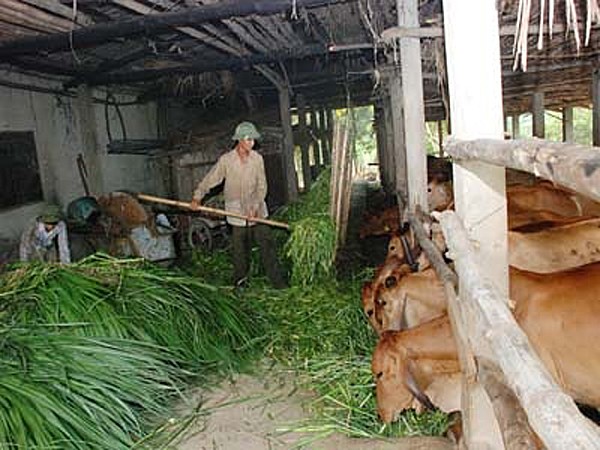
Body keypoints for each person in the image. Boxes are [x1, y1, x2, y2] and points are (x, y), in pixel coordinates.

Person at [190, 121, 286, 289]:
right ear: (239, 140)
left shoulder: (257, 159)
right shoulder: (227, 160)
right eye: (248, 139)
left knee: (267, 247)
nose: (252, 143)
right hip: (236, 214)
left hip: (258, 213)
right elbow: (211, 178)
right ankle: (240, 284)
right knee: (240, 252)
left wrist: (255, 207)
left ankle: (278, 284)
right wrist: (198, 197)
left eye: (253, 140)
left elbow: (262, 185)